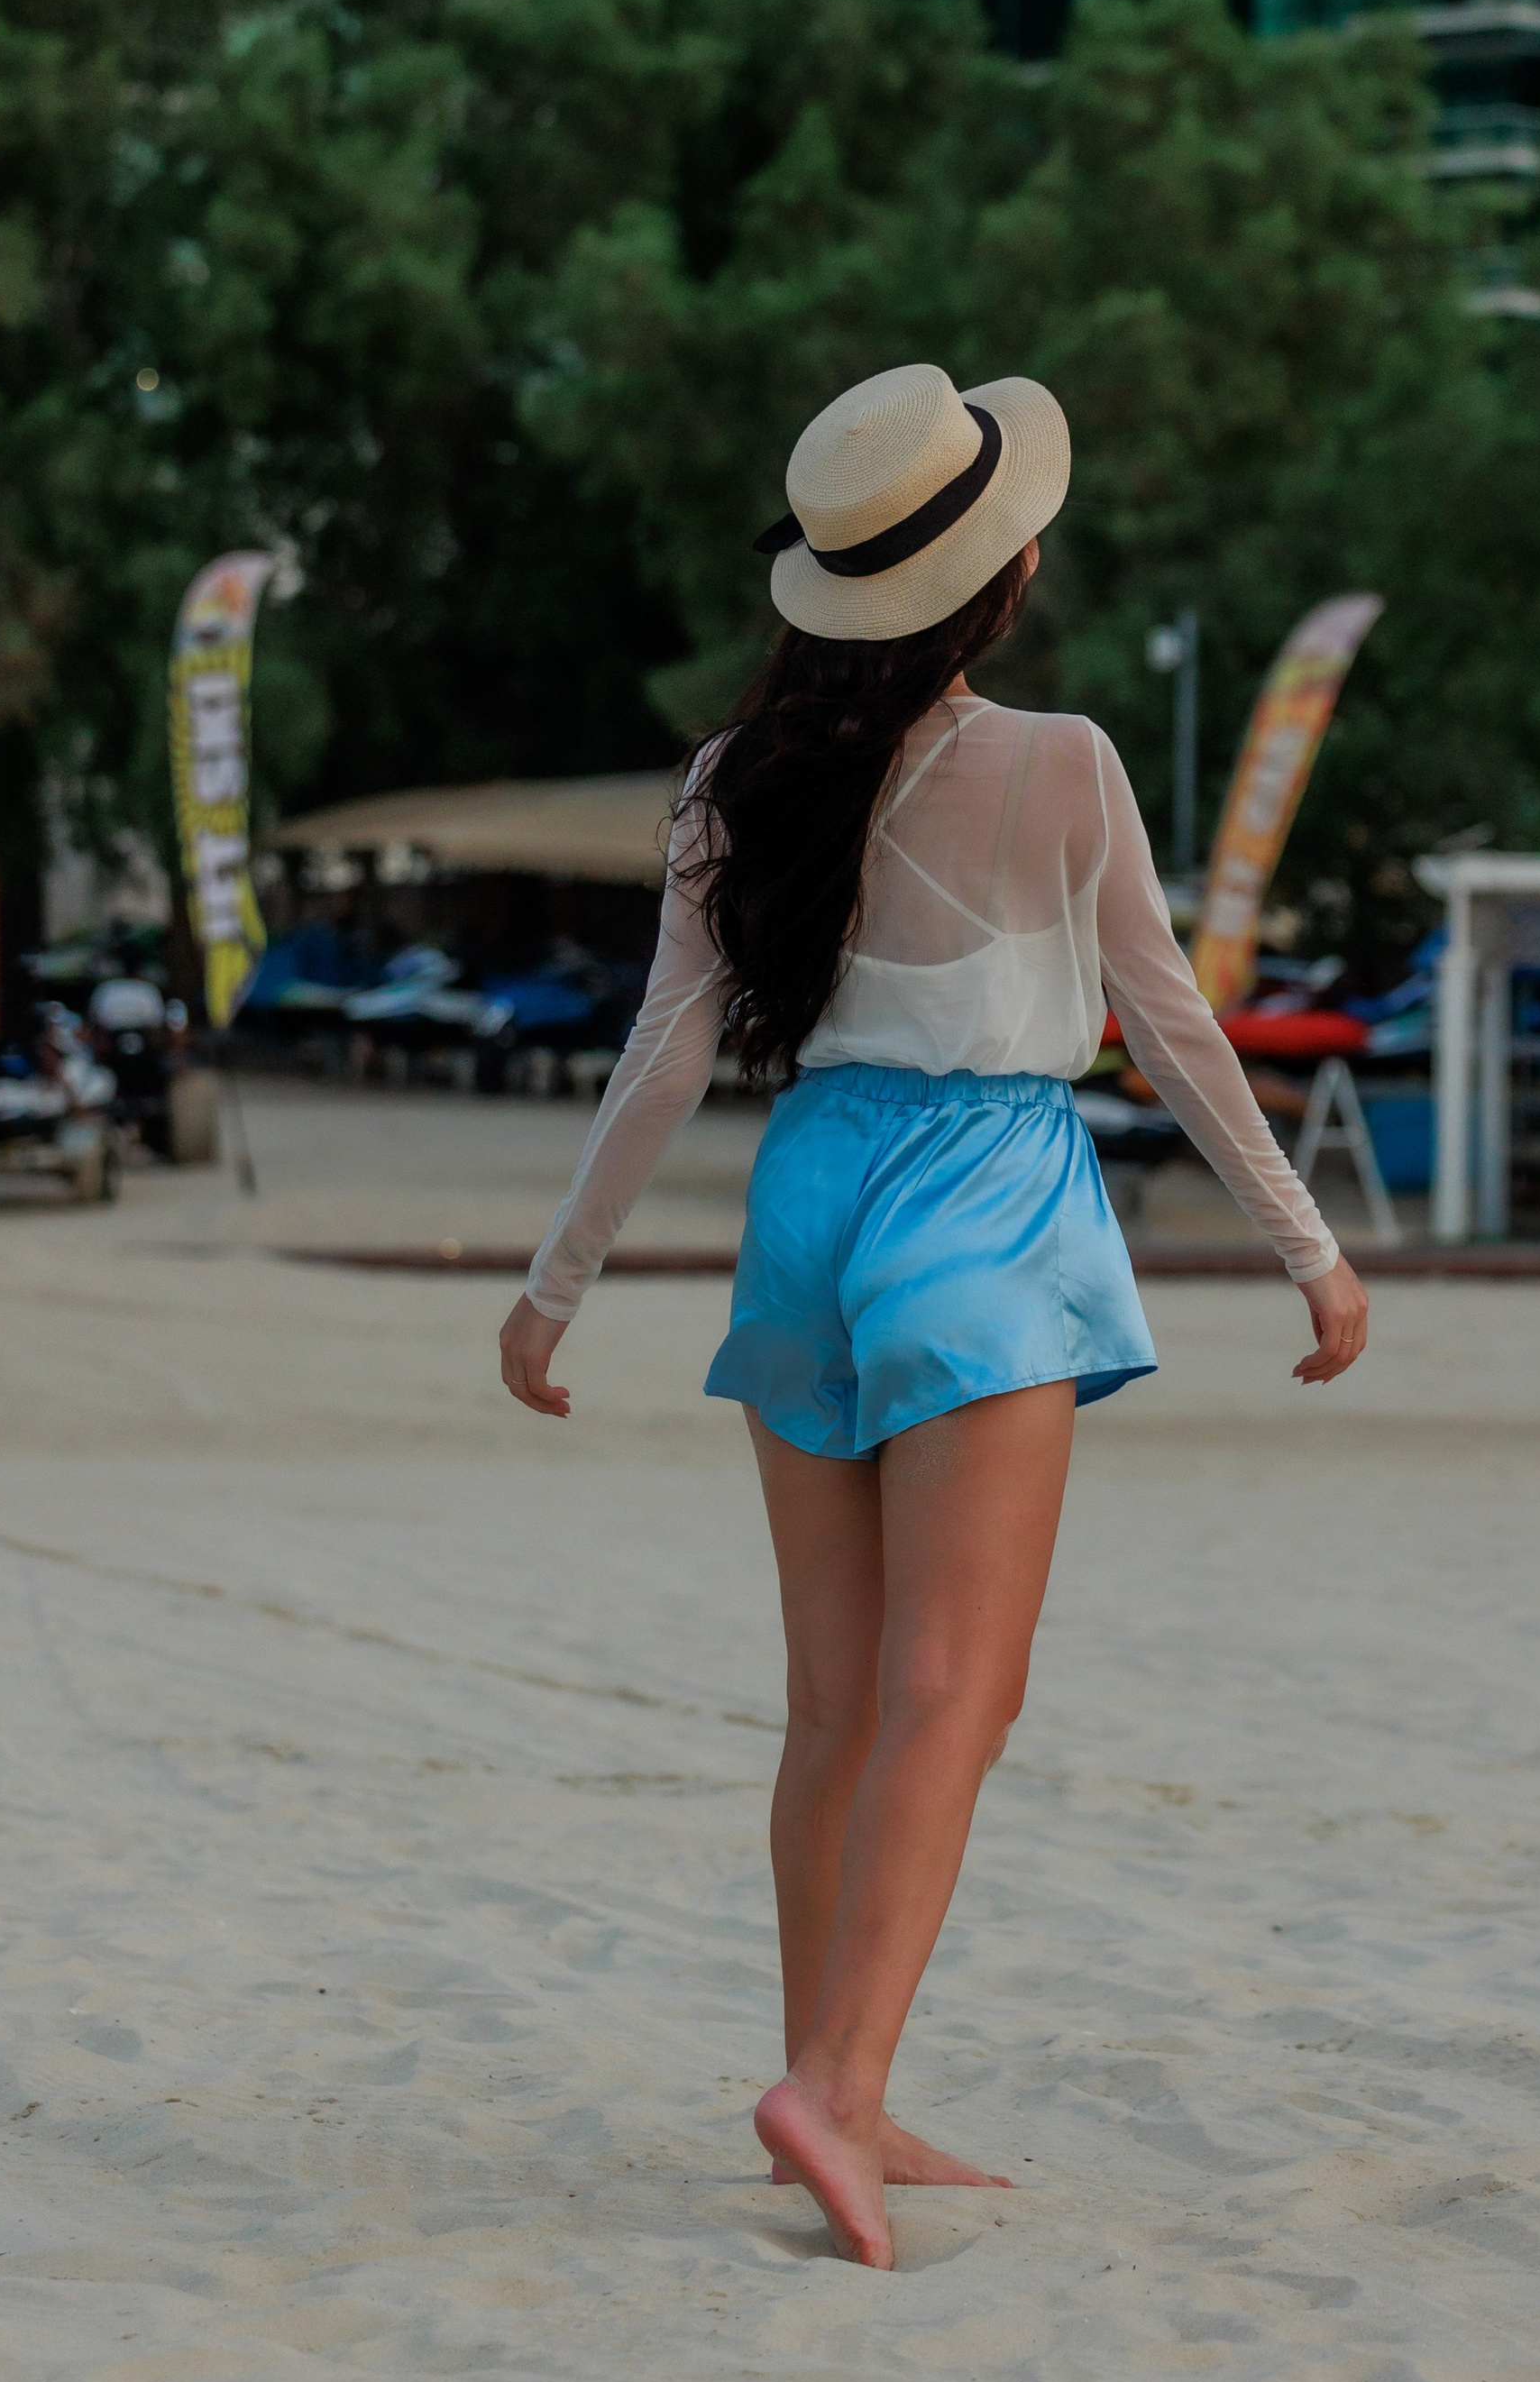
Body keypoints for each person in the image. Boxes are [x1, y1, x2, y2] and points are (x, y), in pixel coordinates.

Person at [500, 363, 1370, 2267]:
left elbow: (663, 1048)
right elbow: (1164, 1017)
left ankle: (844, 2084)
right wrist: (1306, 1244)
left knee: (834, 1704)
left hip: (806, 1195)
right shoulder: (1055, 762)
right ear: (1003, 577)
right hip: (984, 1199)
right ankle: (832, 2080)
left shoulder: (731, 779)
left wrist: (551, 1288)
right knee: (950, 1695)